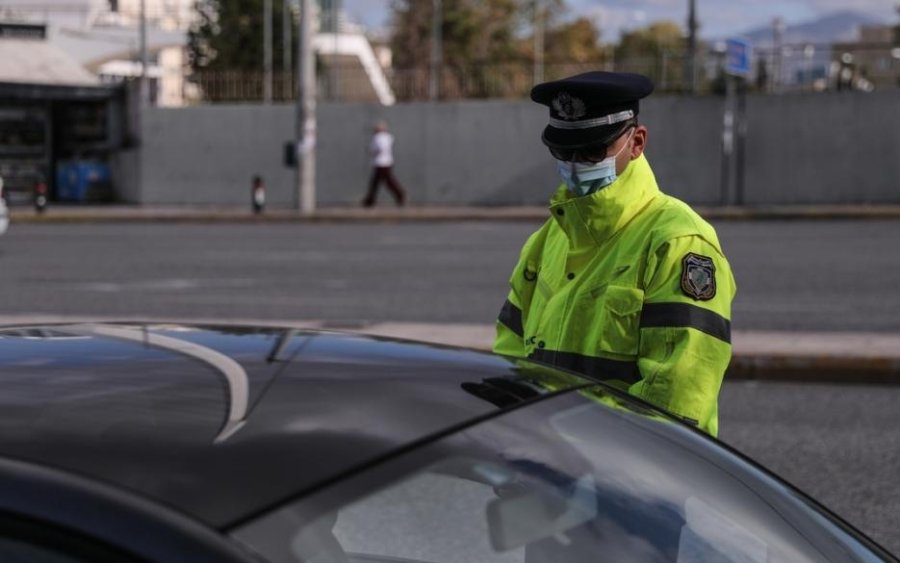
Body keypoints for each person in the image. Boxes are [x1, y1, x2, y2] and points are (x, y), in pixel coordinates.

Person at [493, 71, 736, 437]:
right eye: (563, 151)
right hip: (544, 462)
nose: (575, 164)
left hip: (629, 478)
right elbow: (510, 353)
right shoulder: (546, 240)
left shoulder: (677, 242)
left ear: (636, 142)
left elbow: (678, 398)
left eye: (593, 150)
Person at [362, 120, 406, 207]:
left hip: (380, 163)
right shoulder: (388, 137)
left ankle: (400, 195)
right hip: (387, 162)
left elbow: (379, 149)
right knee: (377, 182)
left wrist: (373, 152)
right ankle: (370, 200)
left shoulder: (378, 137)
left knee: (386, 182)